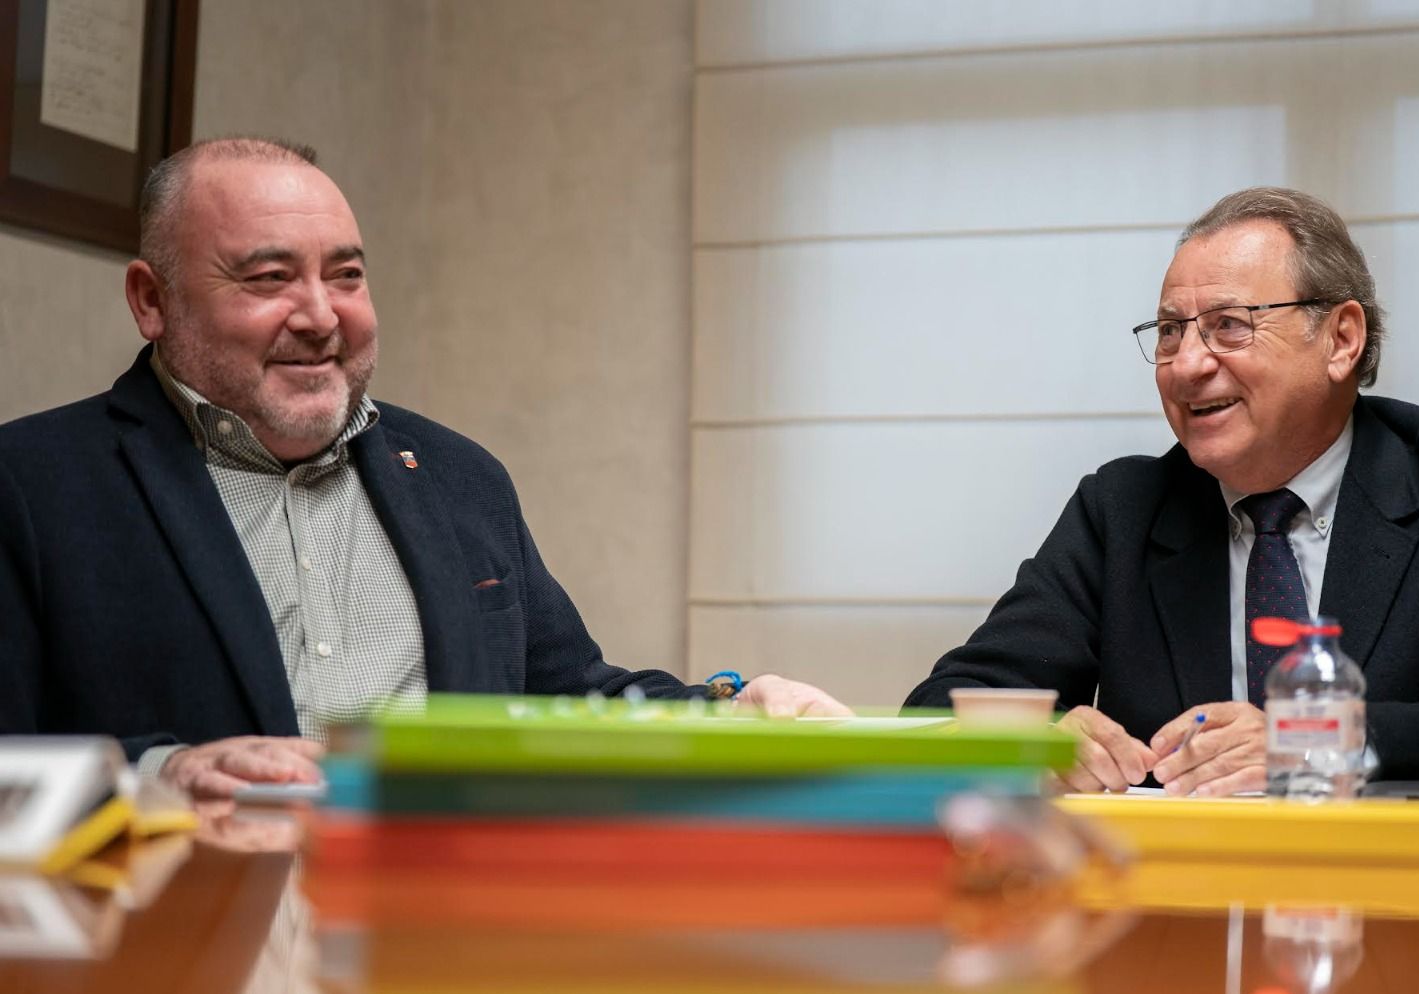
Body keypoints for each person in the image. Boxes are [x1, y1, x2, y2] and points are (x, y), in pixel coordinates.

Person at [0, 137, 849, 799]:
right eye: (269, 277)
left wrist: (726, 711)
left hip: (449, 930)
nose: (321, 315)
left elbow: (563, 696)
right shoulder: (32, 486)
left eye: (347, 275)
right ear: (152, 300)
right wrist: (156, 781)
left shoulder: (456, 476)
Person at [906, 187, 1419, 797]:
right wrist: (1036, 743)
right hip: (1175, 886)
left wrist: (1315, 741)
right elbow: (944, 703)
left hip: (1401, 886)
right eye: (1171, 332)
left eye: (1229, 326)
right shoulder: (1124, 509)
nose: (1185, 365)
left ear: (1341, 339)